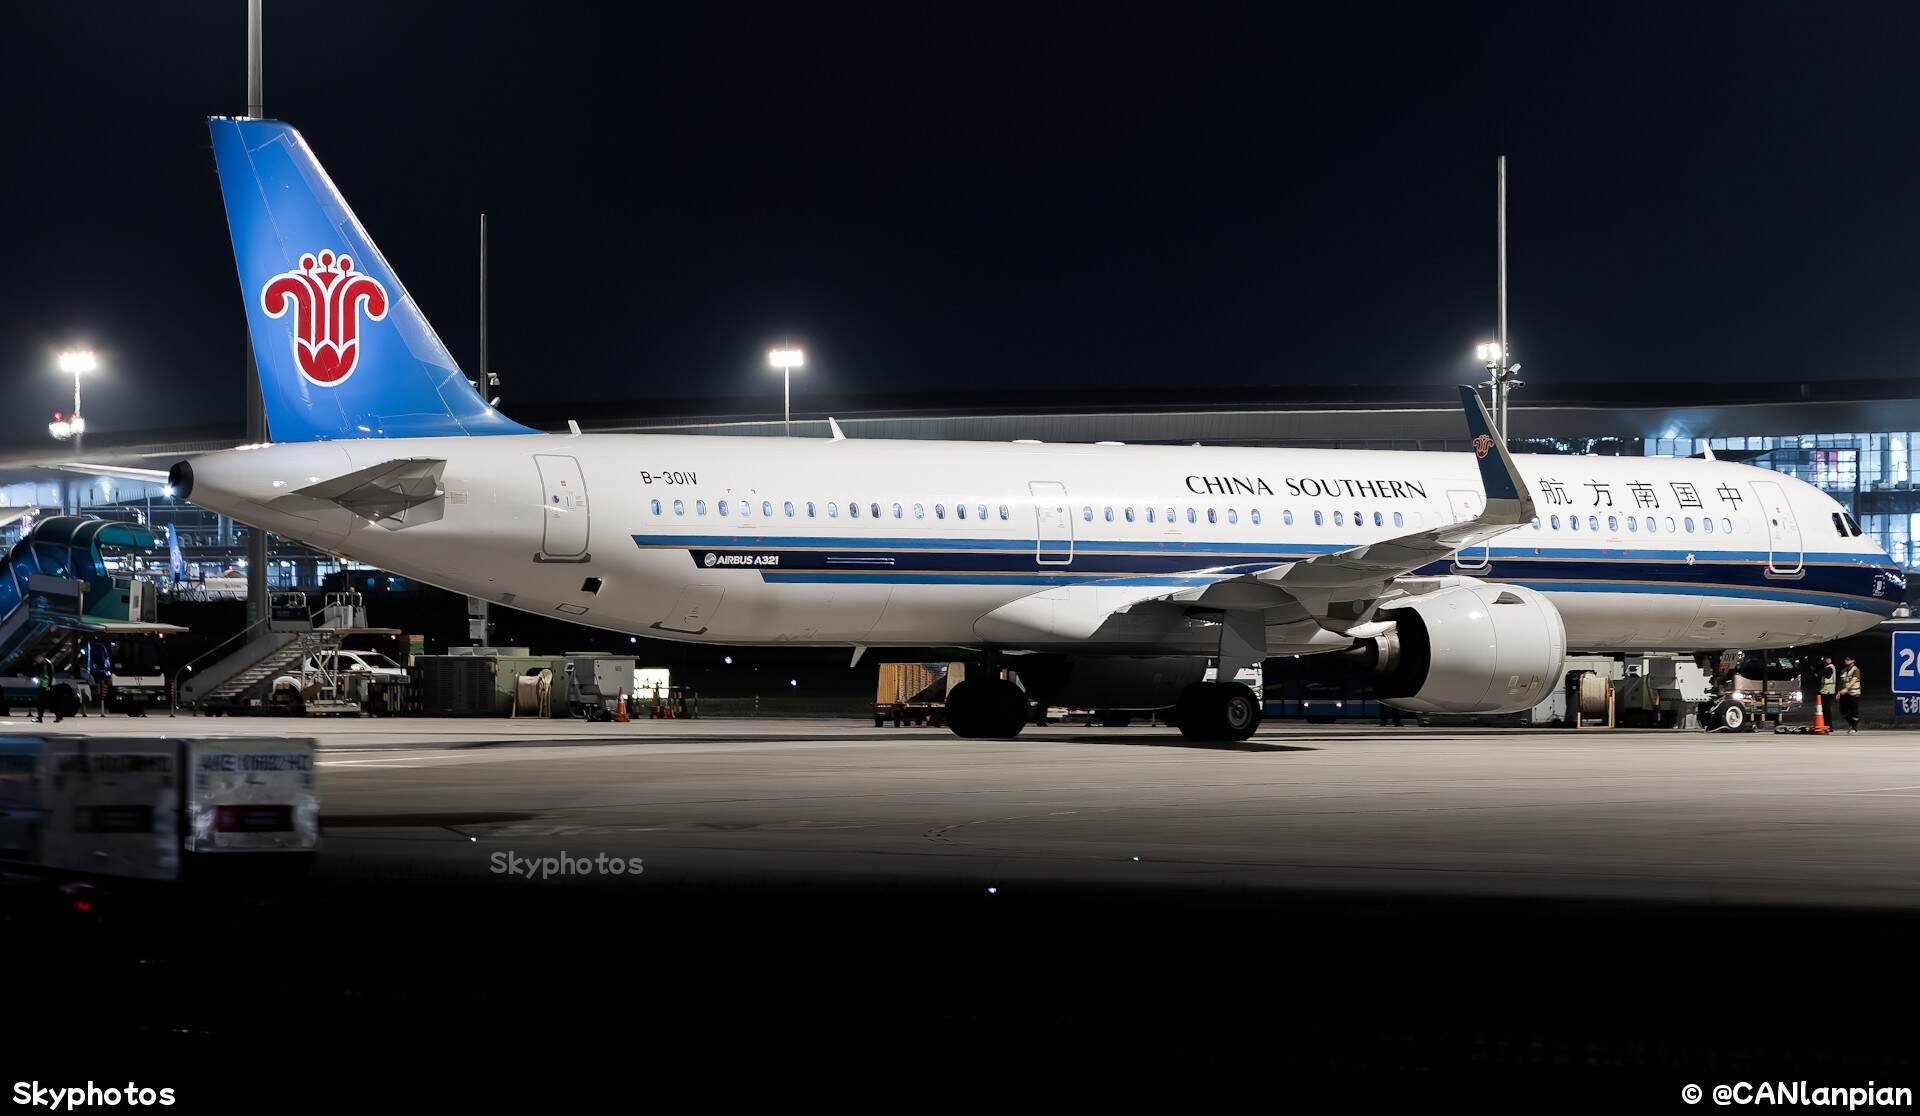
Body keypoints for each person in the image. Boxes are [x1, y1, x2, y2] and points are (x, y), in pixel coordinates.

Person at [1839, 655, 1864, 734]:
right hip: (1844, 693)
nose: (1846, 661)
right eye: (1845, 659)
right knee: (1842, 710)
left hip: (1854, 693)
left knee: (1854, 711)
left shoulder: (1855, 670)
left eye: (1848, 659)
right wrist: (1839, 692)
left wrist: (1846, 689)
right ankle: (1852, 723)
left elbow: (1853, 681)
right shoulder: (1843, 670)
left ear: (1853, 661)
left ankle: (1854, 727)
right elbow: (1841, 682)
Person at [32, 654, 59, 724]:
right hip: (46, 686)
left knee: (42, 702)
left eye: (37, 658)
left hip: (48, 686)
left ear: (41, 657)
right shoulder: (45, 663)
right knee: (48, 702)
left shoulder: (47, 664)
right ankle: (58, 717)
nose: (37, 660)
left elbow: (50, 675)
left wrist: (48, 686)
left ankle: (40, 718)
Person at [1820, 656, 1838, 728]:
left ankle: (1828, 726)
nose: (1823, 662)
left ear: (1828, 660)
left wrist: (1820, 672)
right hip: (1829, 690)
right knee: (1827, 709)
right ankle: (1828, 725)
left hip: (1827, 691)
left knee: (1826, 709)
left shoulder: (1829, 668)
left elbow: (1827, 675)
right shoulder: (1831, 667)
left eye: (1824, 660)